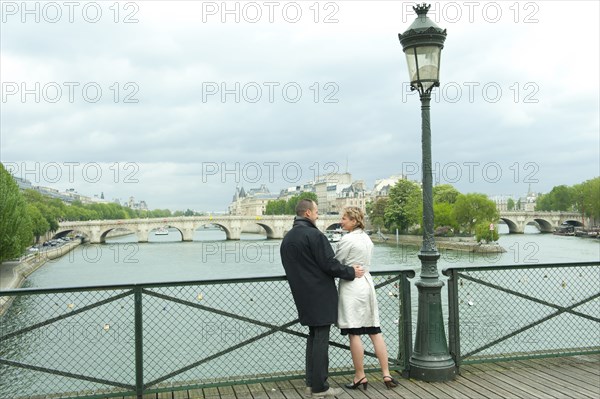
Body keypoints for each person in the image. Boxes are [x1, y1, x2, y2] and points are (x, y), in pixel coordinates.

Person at [281, 199, 365, 398]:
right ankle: (320, 387)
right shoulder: (315, 235)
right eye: (317, 211)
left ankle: (311, 383)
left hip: (301, 294)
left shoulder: (288, 237)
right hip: (320, 293)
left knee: (313, 337)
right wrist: (351, 272)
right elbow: (330, 265)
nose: (319, 214)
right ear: (308, 213)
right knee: (321, 341)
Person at [335, 206, 399, 390]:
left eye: (344, 218)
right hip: (367, 284)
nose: (341, 221)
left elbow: (336, 262)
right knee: (374, 331)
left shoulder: (347, 239)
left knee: (354, 333)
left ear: (354, 221)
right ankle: (386, 374)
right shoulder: (367, 239)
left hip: (352, 285)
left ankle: (360, 376)